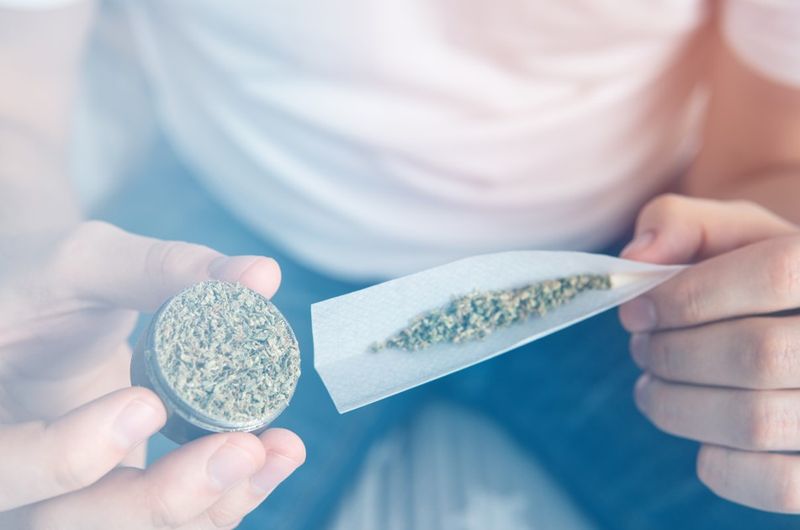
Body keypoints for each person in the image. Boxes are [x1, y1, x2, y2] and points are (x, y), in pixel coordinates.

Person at [0, 0, 798, 529]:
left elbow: (762, 160)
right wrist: (21, 232)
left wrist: (766, 268)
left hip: (614, 258)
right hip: (238, 233)